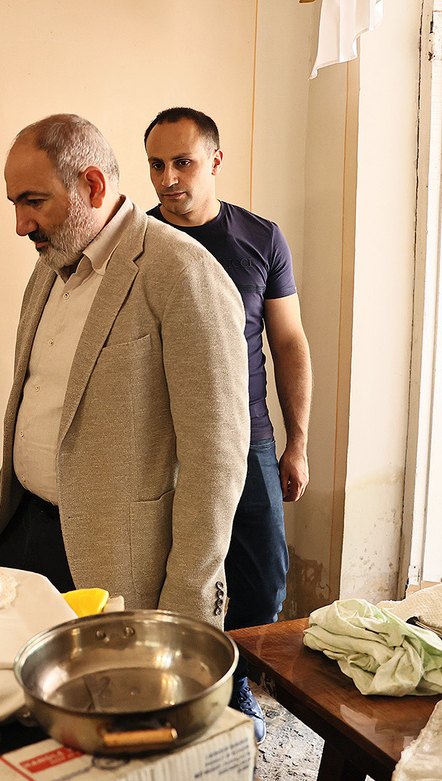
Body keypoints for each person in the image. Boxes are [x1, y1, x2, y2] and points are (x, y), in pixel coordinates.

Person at [0, 113, 249, 630]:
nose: (21, 224)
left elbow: (215, 459)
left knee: (107, 686)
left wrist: (187, 602)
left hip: (115, 562)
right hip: (26, 536)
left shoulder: (182, 273)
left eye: (33, 202)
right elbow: (35, 400)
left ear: (93, 185)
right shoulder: (49, 264)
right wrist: (3, 512)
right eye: (15, 203)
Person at [144, 107, 313, 741]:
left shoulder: (261, 239)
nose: (168, 178)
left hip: (248, 439)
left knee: (261, 581)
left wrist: (297, 443)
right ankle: (177, 686)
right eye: (156, 165)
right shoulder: (138, 242)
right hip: (162, 445)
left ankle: (236, 679)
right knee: (171, 574)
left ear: (215, 160)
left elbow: (288, 342)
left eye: (182, 162)